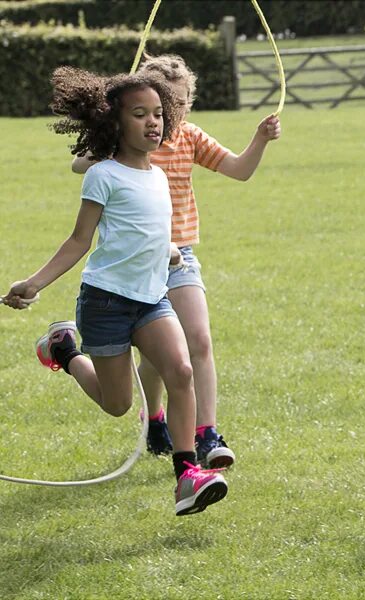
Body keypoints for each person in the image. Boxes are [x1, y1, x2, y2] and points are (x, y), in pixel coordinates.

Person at [3, 67, 230, 516]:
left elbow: (147, 229)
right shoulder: (103, 175)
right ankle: (64, 349)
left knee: (181, 372)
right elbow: (79, 241)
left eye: (159, 114)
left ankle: (187, 474)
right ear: (114, 122)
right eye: (139, 114)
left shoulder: (159, 178)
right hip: (106, 302)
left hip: (151, 299)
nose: (153, 122)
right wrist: (33, 283)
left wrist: (167, 250)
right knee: (118, 404)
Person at [72, 54, 282, 468]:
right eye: (167, 103)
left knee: (197, 342)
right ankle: (155, 418)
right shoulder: (127, 144)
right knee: (154, 358)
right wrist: (103, 137)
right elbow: (80, 164)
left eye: (182, 103)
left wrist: (259, 138)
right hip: (134, 262)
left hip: (178, 254)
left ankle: (207, 435)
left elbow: (239, 170)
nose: (174, 112)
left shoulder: (189, 136)